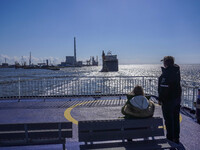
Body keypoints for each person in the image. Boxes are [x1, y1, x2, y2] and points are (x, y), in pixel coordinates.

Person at [158, 56, 182, 144]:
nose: (163, 64)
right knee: (175, 119)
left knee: (168, 120)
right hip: (176, 99)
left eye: (164, 62)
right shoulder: (176, 71)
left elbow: (164, 88)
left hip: (168, 101)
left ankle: (170, 139)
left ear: (166, 63)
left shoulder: (167, 73)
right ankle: (176, 138)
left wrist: (160, 99)